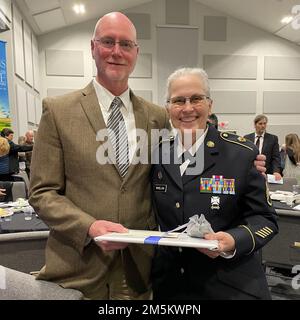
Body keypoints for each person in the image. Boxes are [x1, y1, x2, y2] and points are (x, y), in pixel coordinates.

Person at [29, 12, 267, 300]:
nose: (117, 51)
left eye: (126, 44)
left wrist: (244, 163)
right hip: (80, 265)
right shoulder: (57, 111)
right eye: (108, 42)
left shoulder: (155, 116)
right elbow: (42, 193)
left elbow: (189, 152)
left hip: (141, 269)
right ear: (93, 47)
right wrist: (89, 227)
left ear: (136, 53)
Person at [151, 67, 278, 300]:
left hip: (228, 284)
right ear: (168, 108)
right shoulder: (157, 155)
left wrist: (232, 241)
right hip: (171, 286)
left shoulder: (241, 154)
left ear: (210, 104)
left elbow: (266, 219)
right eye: (179, 100)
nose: (188, 108)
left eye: (196, 99)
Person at [244, 115, 282, 180]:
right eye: (260, 123)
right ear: (255, 125)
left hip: (266, 174)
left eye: (264, 123)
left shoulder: (273, 138)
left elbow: (276, 158)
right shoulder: (247, 138)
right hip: (250, 173)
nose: (263, 126)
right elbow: (244, 157)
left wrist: (276, 171)